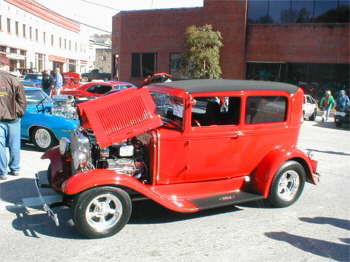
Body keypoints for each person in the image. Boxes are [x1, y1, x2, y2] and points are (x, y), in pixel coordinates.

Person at [0, 56, 27, 180]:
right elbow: (22, 101)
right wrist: (19, 113)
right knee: (14, 144)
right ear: (6, 66)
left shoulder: (14, 80)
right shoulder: (14, 80)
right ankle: (15, 169)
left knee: (0, 146)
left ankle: (2, 172)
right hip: (13, 118)